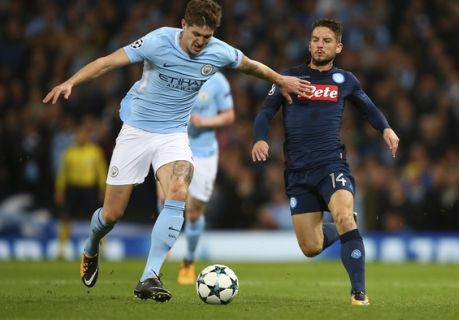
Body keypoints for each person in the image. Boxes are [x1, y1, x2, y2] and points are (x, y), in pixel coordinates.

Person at [43, 0, 310, 303]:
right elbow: (106, 62)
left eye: (206, 36)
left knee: (179, 189)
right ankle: (92, 245)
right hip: (137, 131)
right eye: (196, 33)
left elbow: (251, 65)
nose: (200, 41)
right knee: (112, 214)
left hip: (173, 134)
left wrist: (281, 79)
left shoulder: (218, 51)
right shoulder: (157, 41)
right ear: (184, 25)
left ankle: (149, 276)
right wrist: (70, 82)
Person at [251, 18, 399, 306]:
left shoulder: (345, 80)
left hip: (331, 164)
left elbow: (368, 108)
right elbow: (265, 112)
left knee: (342, 215)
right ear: (309, 44)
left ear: (339, 47)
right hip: (297, 171)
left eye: (327, 40)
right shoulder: (289, 77)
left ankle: (359, 292)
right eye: (316, 39)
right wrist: (259, 138)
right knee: (311, 247)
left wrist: (386, 129)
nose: (320, 45)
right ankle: (345, 225)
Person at [155, 71, 235, 285]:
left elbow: (229, 115)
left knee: (193, 213)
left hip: (204, 153)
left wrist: (205, 121)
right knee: (165, 198)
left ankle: (188, 260)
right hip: (176, 147)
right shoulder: (175, 73)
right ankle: (163, 249)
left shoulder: (218, 80)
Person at [54, 120, 107, 259]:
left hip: (90, 189)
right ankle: (61, 250)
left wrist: (103, 189)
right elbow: (63, 173)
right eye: (78, 134)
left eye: (83, 134)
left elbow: (101, 171)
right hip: (73, 189)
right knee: (66, 217)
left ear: (87, 135)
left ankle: (104, 249)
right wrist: (60, 189)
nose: (80, 137)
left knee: (98, 219)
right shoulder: (69, 152)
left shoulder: (94, 151)